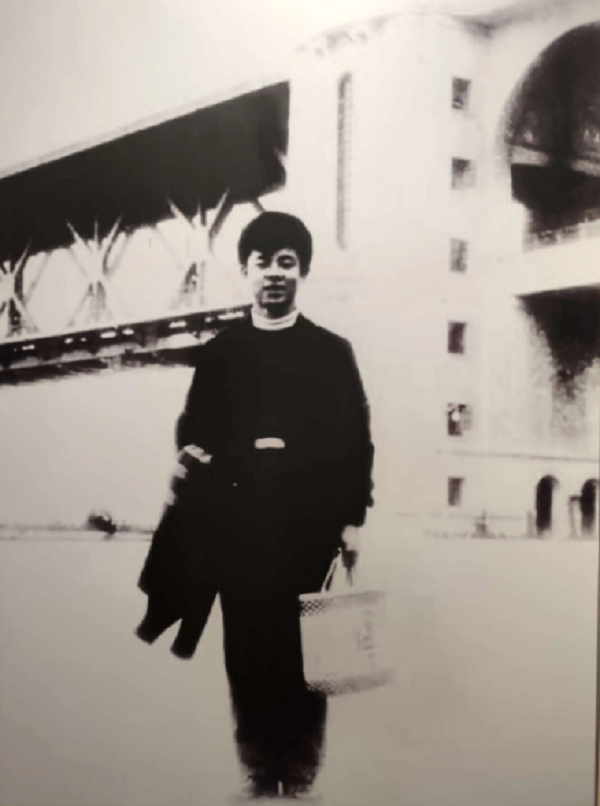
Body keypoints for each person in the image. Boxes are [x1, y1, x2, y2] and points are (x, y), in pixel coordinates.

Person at [137, 211, 374, 799]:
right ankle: (256, 769)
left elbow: (356, 442)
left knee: (306, 653)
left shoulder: (330, 353)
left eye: (286, 262)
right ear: (246, 271)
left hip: (310, 529)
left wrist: (352, 521)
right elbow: (192, 428)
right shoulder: (222, 353)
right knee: (245, 649)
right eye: (262, 262)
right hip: (238, 529)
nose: (274, 273)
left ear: (302, 272)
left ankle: (301, 771)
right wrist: (198, 455)